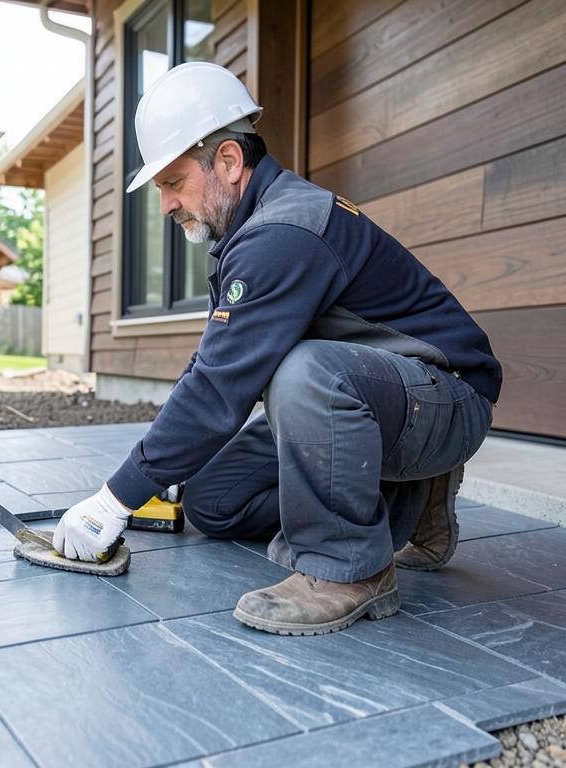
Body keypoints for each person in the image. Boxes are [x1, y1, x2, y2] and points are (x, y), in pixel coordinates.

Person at [52, 62, 501, 636]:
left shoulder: (283, 233)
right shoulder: (252, 229)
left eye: (171, 182)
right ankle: (406, 502)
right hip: (376, 400)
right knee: (214, 500)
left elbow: (220, 389)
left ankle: (347, 569)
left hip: (448, 397)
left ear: (229, 162)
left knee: (303, 371)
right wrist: (156, 474)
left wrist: (114, 500)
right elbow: (213, 365)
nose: (165, 204)